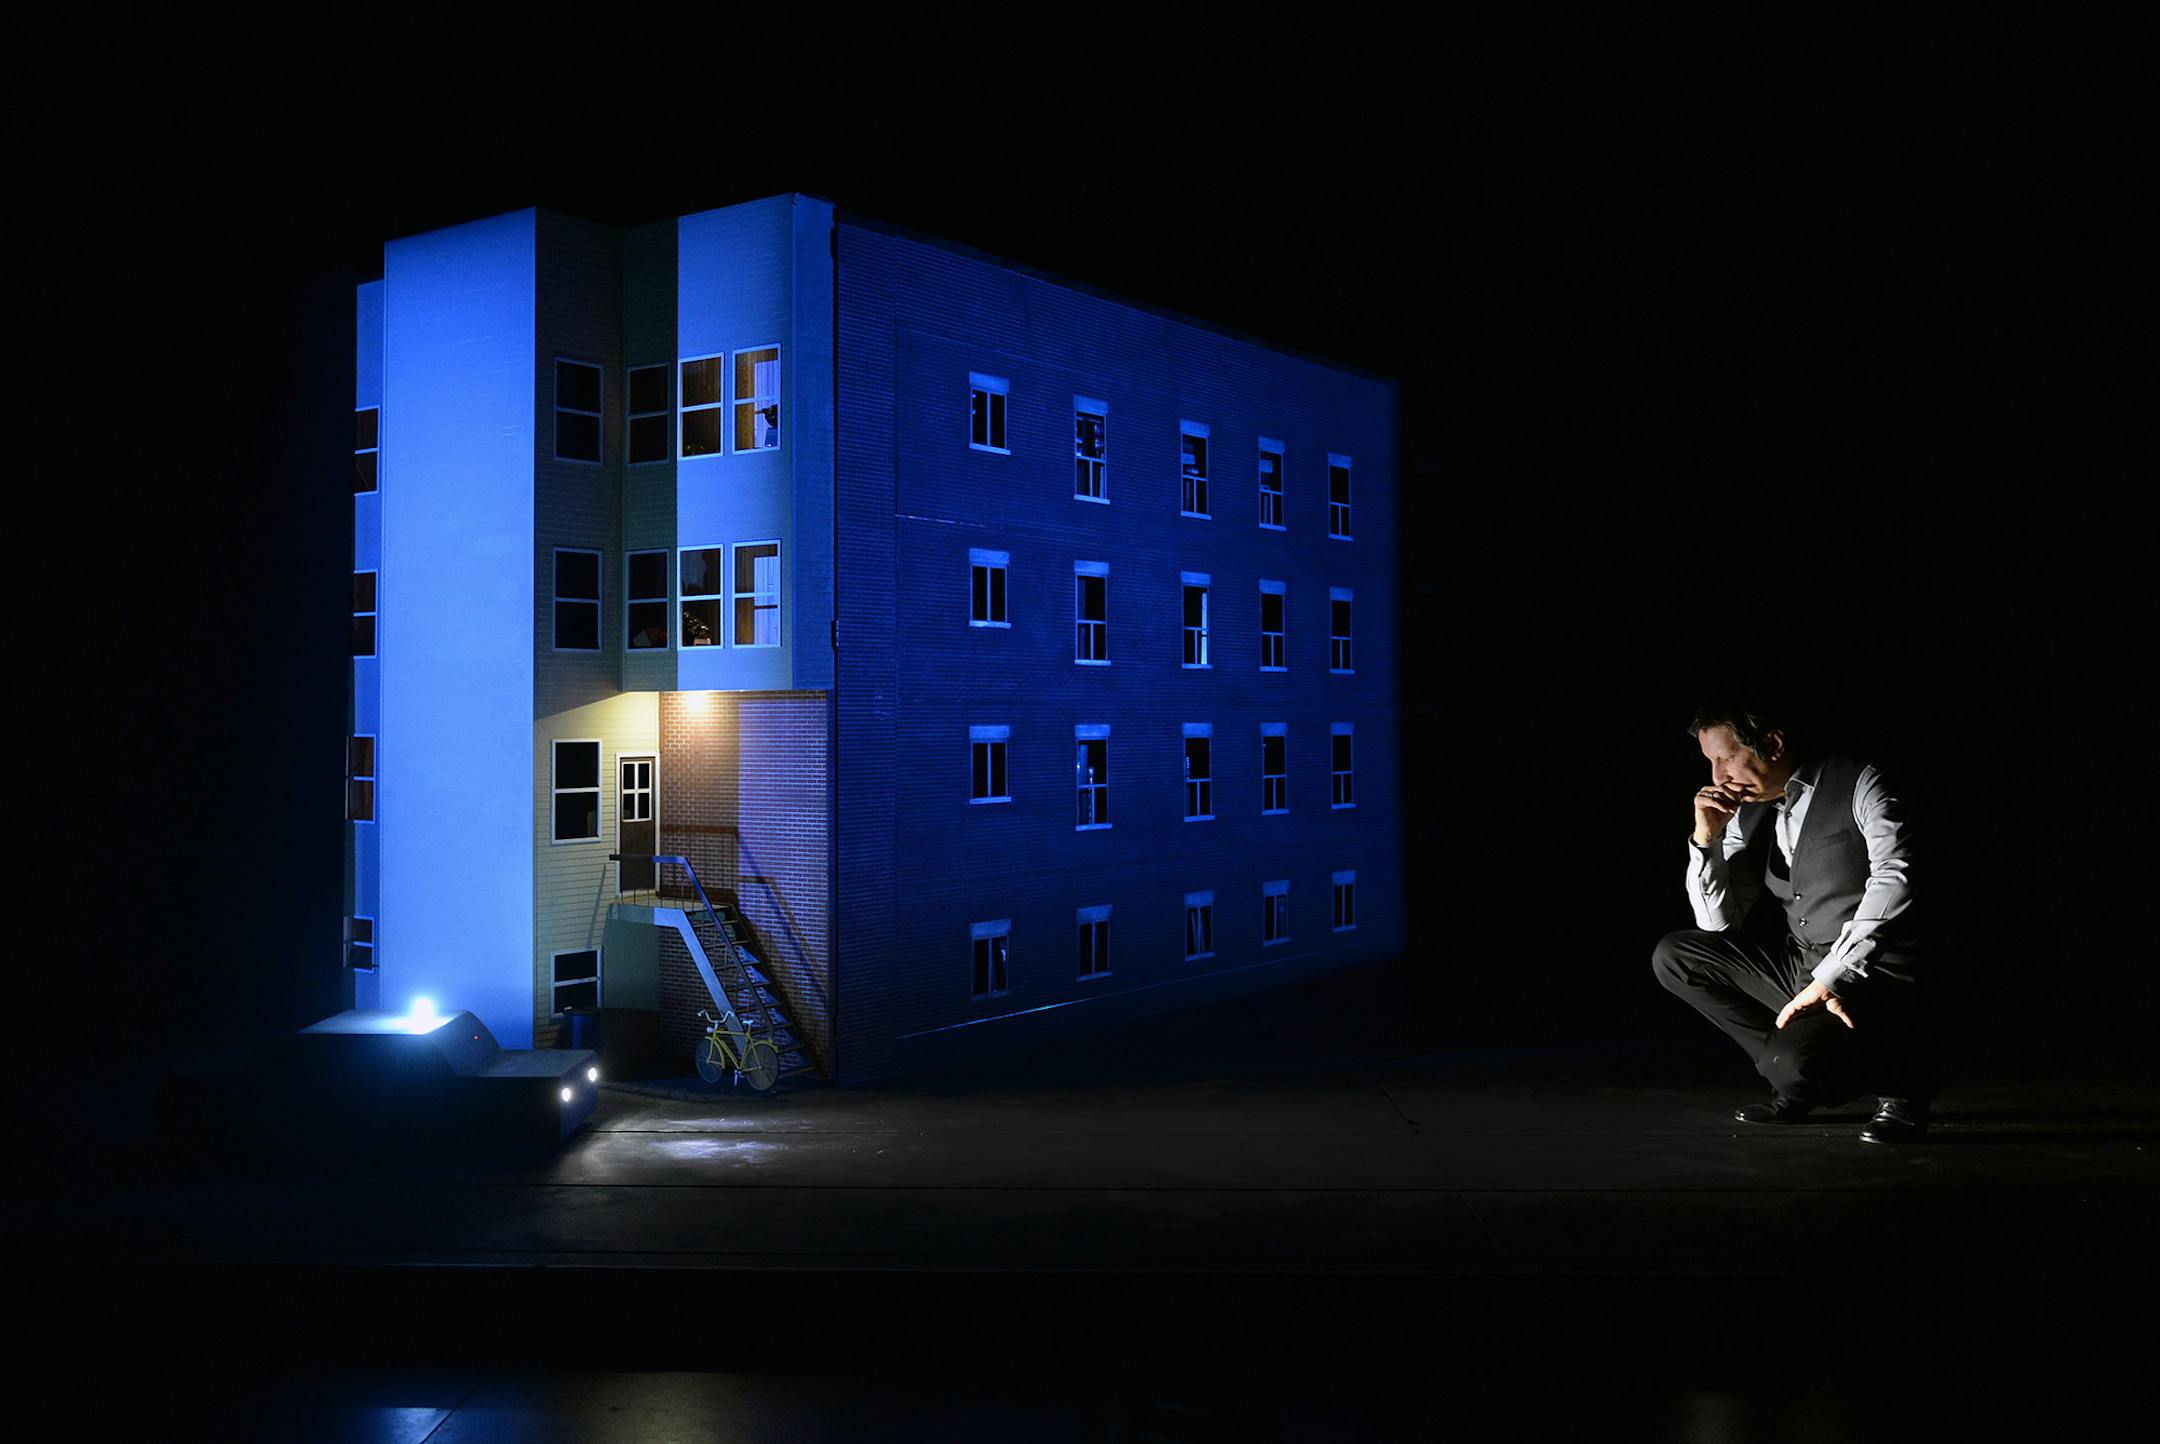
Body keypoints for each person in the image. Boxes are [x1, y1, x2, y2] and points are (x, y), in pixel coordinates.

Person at [1652, 705, 1939, 1143]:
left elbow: (1897, 876)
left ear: (1773, 744)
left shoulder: (1860, 780)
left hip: (1877, 971)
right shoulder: (1747, 810)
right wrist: (1705, 840)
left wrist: (1832, 978)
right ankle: (1791, 1069)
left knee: (1793, 1067)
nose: (1717, 773)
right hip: (1804, 962)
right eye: (1709, 761)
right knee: (1677, 957)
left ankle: (1902, 1090)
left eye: (1726, 757)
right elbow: (1716, 922)